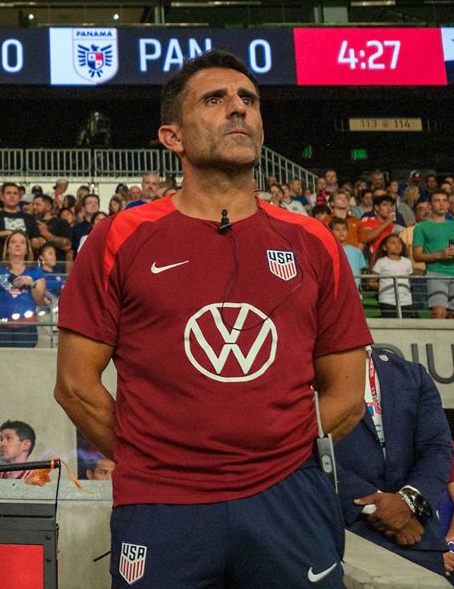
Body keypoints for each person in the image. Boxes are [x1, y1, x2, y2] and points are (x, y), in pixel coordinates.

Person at [55, 51, 371, 589]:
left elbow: (347, 392)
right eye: (215, 99)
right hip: (161, 503)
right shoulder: (119, 237)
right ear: (172, 136)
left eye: (248, 99)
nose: (238, 109)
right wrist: (152, 457)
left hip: (289, 499)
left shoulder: (314, 241)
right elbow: (75, 386)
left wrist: (281, 456)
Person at [336, 349, 452, 577]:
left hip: (419, 541)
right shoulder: (305, 376)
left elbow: (437, 449)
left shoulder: (412, 374)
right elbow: (310, 455)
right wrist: (378, 508)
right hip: (345, 537)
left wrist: (408, 502)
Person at [0, 231, 45, 348]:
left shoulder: (35, 271)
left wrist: (32, 283)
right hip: (2, 326)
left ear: (27, 249)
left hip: (26, 327)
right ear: (7, 248)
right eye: (13, 242)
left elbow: (39, 300)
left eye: (22, 243)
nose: (17, 245)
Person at [413, 190, 454, 319]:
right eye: (437, 201)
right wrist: (439, 255)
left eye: (444, 201)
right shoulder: (421, 227)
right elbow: (417, 256)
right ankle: (436, 340)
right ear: (430, 205)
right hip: (436, 273)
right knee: (439, 313)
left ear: (448, 205)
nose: (441, 204)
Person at [372, 234, 416, 319]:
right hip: (387, 300)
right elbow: (372, 282)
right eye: (393, 243)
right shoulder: (381, 262)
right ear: (384, 247)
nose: (397, 245)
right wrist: (385, 286)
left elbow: (409, 280)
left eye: (399, 243)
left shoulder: (407, 262)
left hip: (405, 301)